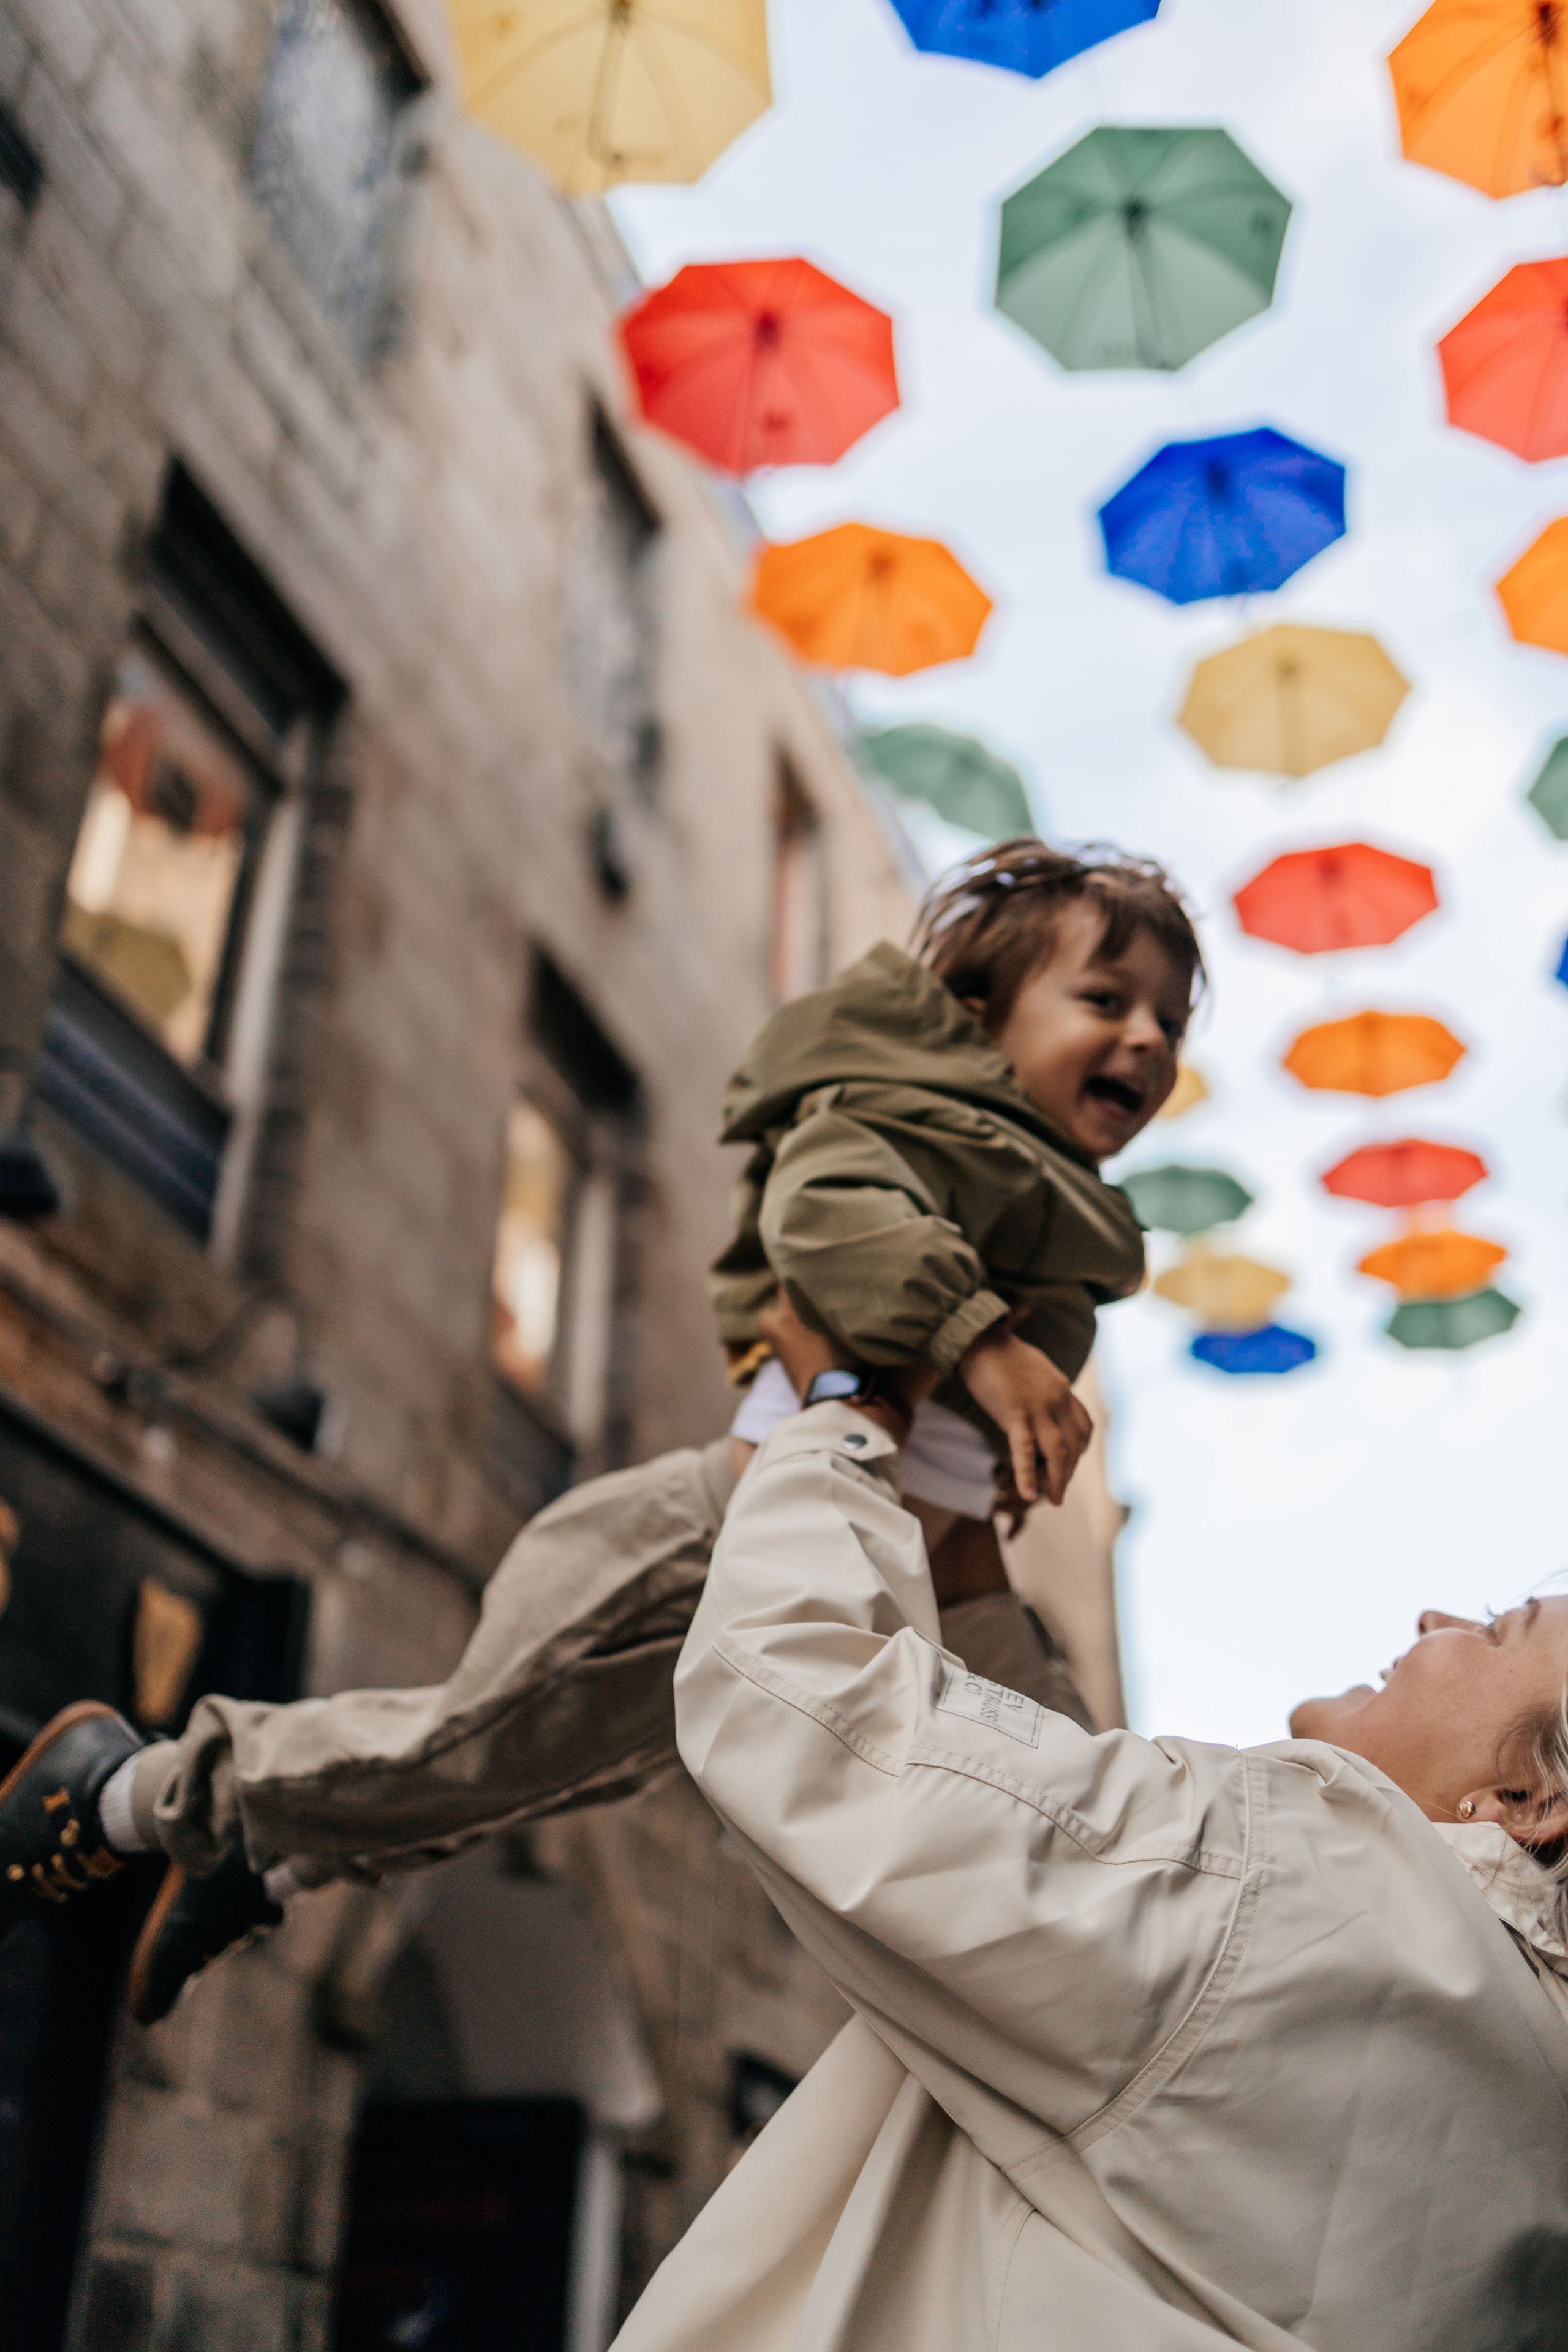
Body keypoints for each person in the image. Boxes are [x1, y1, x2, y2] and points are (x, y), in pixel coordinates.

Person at [0, 840, 1200, 2024]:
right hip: (708, 1539)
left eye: (1168, 1022)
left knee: (538, 1772)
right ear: (984, 1018)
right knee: (480, 1745)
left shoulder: (1059, 1230)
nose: (1146, 1039)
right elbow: (828, 1219)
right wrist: (981, 1347)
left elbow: (949, 1491)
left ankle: (266, 1863)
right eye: (1104, 1000)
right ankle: (126, 1795)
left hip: (889, 1588)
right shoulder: (907, 1123)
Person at [616, 1303, 1568, 2352]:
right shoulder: (1513, 2069)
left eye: (1494, 1629)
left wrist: (844, 1414)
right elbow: (1123, 1971)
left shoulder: (1319, 1888)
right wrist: (972, 1571)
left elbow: (801, 1710)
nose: (1438, 1621)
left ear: (1529, 1803)